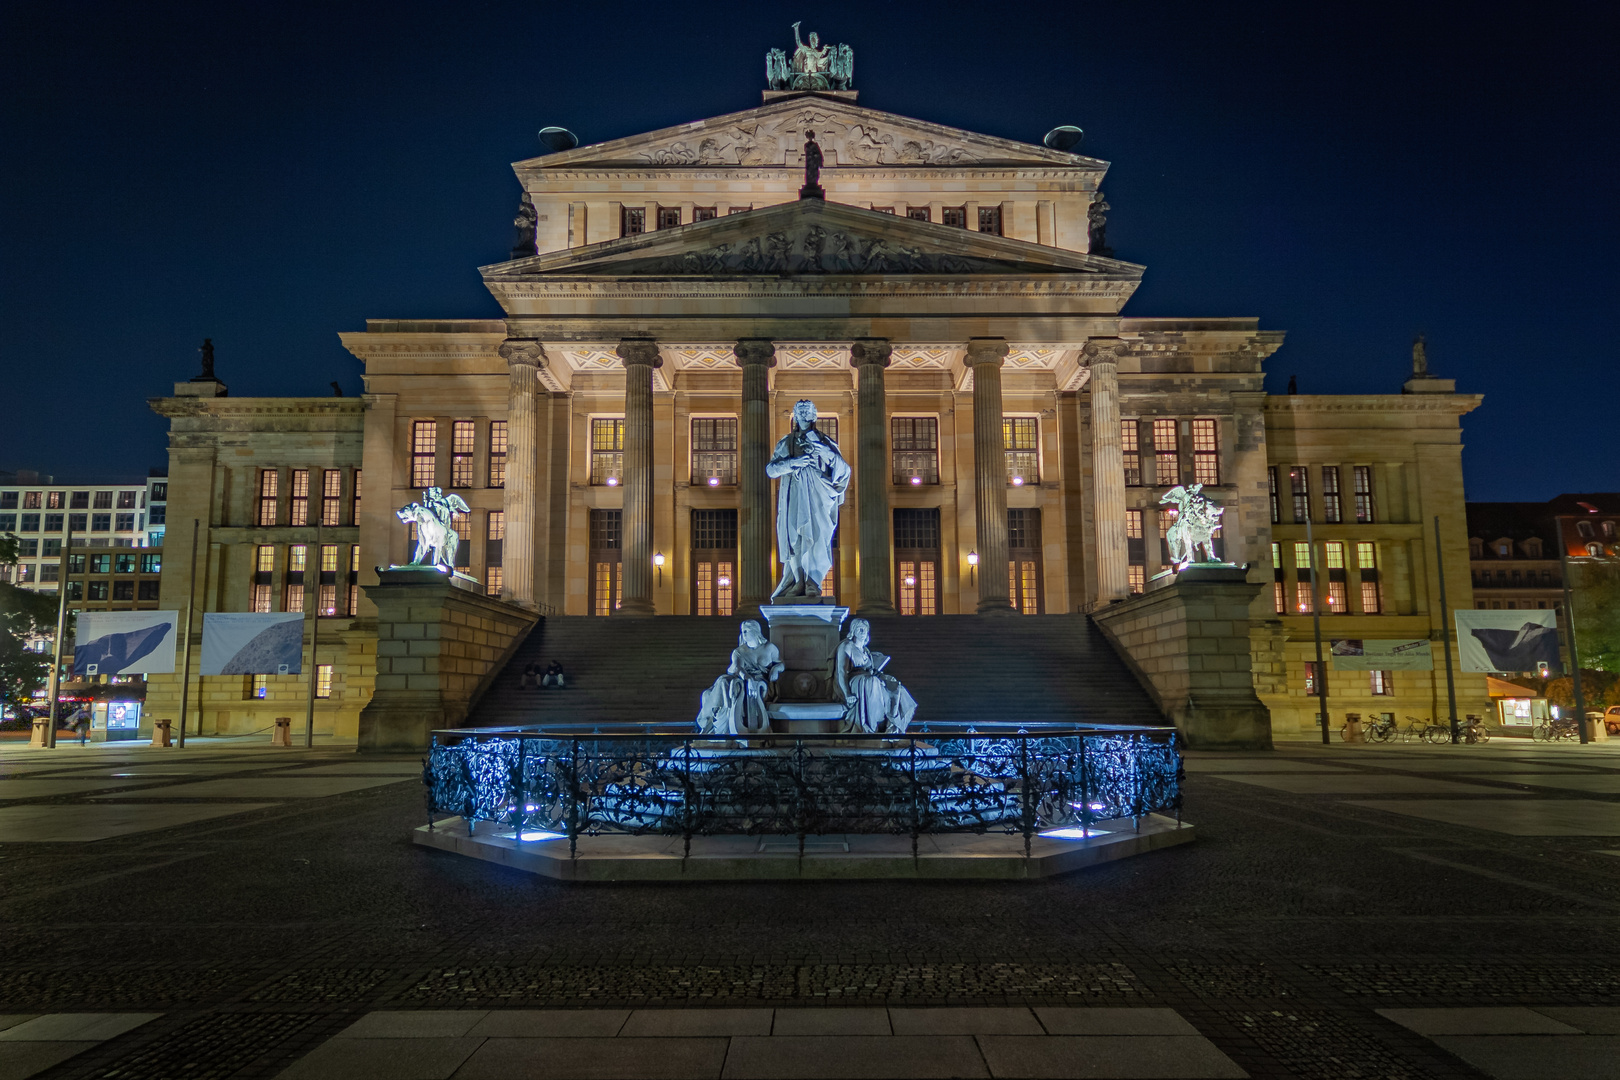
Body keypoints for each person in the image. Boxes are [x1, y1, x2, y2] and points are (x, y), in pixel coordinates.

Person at [765, 399, 850, 599]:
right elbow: (771, 470)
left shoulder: (826, 442)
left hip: (818, 496)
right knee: (794, 537)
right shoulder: (786, 442)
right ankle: (798, 580)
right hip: (794, 494)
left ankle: (813, 581)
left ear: (814, 415)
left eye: (807, 411)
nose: (804, 415)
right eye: (800, 411)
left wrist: (827, 453)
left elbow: (844, 470)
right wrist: (793, 462)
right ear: (795, 415)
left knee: (818, 537)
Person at [695, 621, 783, 735]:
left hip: (762, 682)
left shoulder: (769, 648)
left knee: (726, 684)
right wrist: (747, 678)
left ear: (755, 630)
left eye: (746, 630)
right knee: (723, 681)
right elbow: (738, 668)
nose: (744, 633)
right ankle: (711, 719)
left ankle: (710, 720)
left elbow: (781, 663)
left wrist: (776, 669)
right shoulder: (739, 651)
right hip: (743, 679)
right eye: (742, 631)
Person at [835, 618, 917, 735]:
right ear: (853, 630)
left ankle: (893, 725)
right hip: (855, 680)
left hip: (870, 677)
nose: (863, 632)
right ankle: (872, 729)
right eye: (860, 629)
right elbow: (841, 672)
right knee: (872, 682)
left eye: (865, 629)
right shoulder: (846, 646)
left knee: (895, 686)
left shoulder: (865, 650)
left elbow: (871, 669)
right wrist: (847, 694)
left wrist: (880, 674)